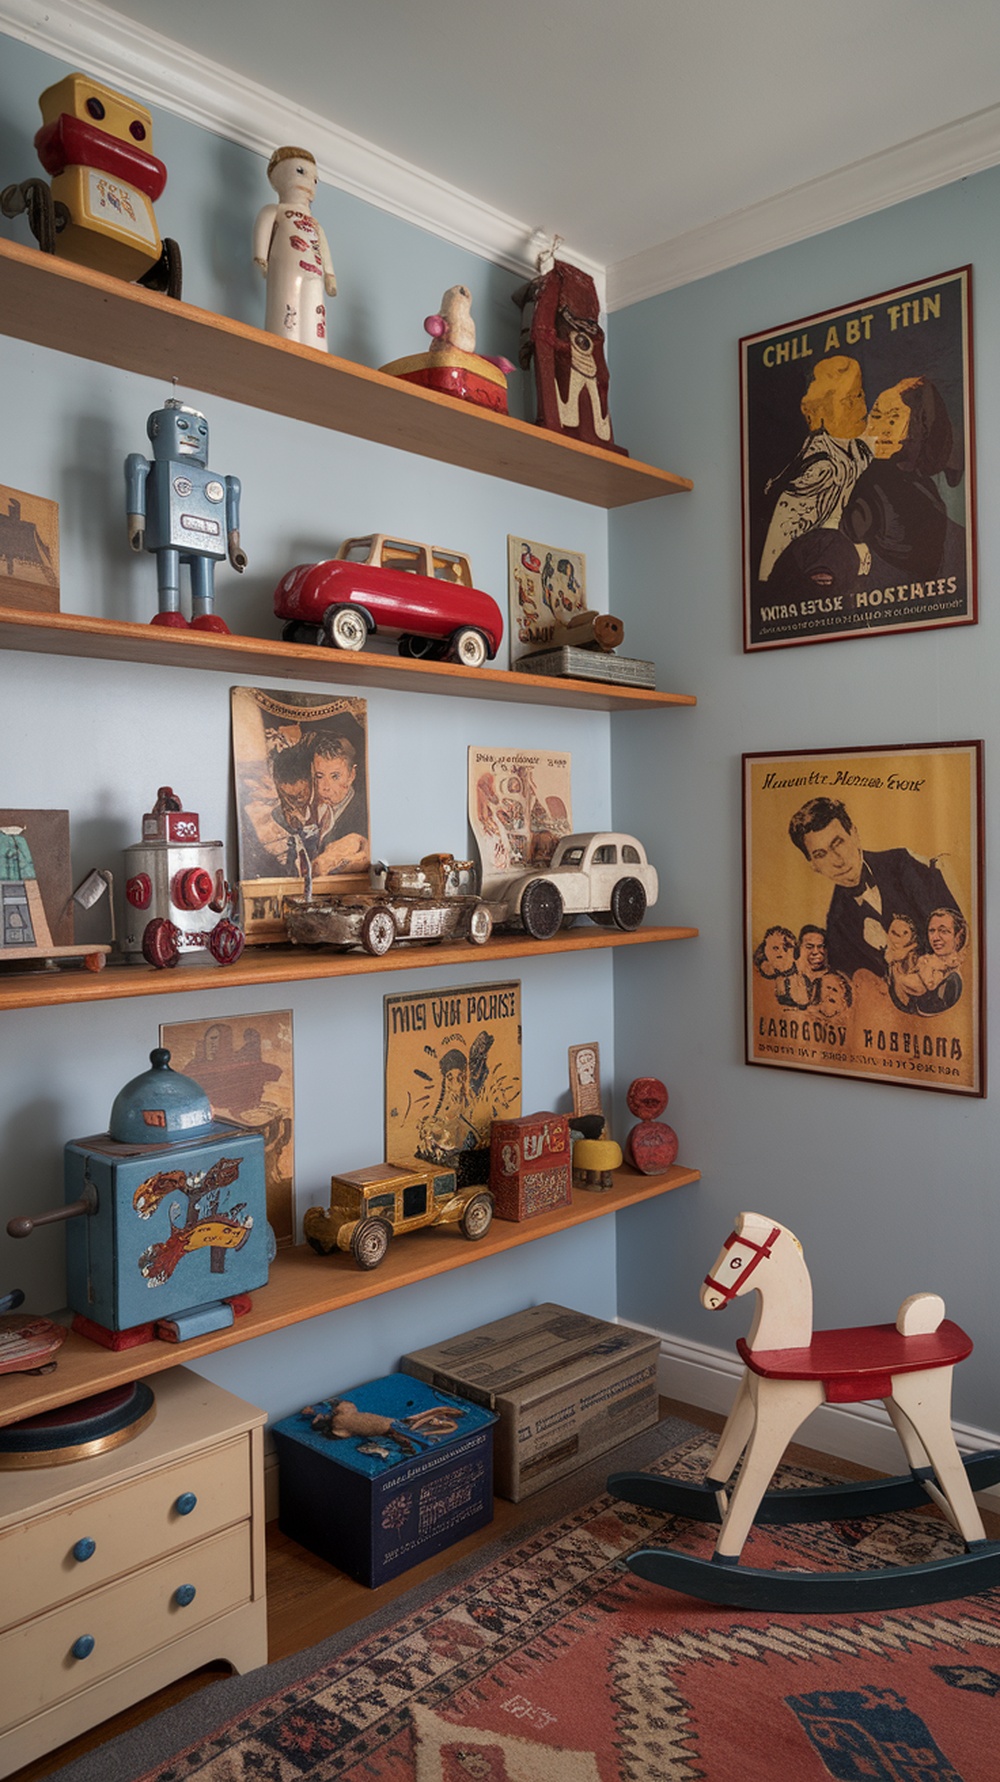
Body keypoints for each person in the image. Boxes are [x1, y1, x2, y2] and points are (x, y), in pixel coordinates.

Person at [787, 795, 960, 980]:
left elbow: (958, 927)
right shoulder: (836, 925)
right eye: (821, 854)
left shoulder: (902, 863)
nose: (837, 860)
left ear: (854, 834)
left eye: (838, 843)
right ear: (813, 865)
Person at [758, 357, 872, 584]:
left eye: (859, 395)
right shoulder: (821, 468)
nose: (859, 406)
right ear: (824, 411)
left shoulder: (859, 451)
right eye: (847, 400)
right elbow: (775, 554)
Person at [308, 734, 367, 877]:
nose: (325, 787)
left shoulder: (363, 814)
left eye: (335, 776)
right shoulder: (317, 808)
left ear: (351, 775)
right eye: (319, 776)